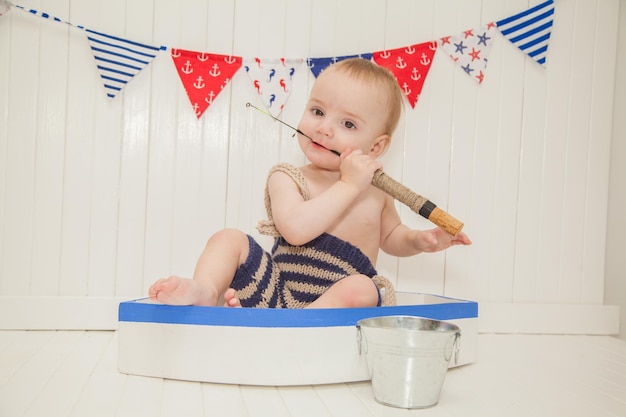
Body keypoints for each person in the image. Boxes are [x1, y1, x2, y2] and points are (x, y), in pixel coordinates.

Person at [148, 58, 471, 309]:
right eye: (317, 111)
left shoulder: (375, 192)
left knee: (363, 286)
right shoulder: (288, 176)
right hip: (278, 296)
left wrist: (419, 240)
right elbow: (296, 230)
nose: (324, 129)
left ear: (375, 148)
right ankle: (206, 291)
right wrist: (348, 185)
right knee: (228, 238)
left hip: (335, 307)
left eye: (347, 123)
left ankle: (304, 324)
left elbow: (391, 237)